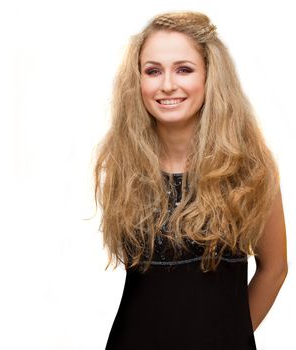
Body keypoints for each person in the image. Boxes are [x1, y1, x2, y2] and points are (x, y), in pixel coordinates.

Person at [92, 10, 288, 350]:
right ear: (137, 81)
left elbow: (275, 268)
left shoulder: (250, 167)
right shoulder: (125, 165)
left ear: (210, 76)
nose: (167, 84)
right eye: (153, 71)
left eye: (184, 69)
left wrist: (229, 336)